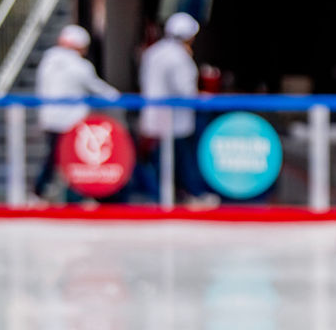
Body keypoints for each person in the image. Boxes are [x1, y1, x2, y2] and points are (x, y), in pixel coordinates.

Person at [33, 25, 121, 202]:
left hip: (49, 119)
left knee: (53, 157)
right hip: (70, 122)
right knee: (71, 160)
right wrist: (118, 97)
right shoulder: (80, 65)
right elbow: (98, 88)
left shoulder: (48, 60)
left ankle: (41, 191)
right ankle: (69, 197)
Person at [138, 12, 214, 205]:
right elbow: (185, 91)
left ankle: (161, 195)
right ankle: (189, 194)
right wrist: (201, 96)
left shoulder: (152, 52)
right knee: (180, 159)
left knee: (159, 159)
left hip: (154, 115)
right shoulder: (179, 57)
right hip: (175, 119)